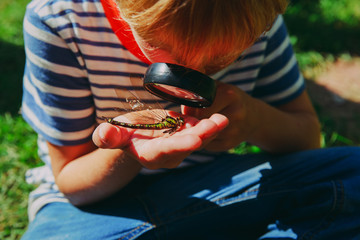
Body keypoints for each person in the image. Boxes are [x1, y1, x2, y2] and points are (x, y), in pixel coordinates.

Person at [21, 0, 360, 239]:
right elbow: (72, 184)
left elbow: (307, 139)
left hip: (219, 188)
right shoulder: (60, 18)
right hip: (97, 211)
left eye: (224, 57)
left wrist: (253, 120)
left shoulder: (255, 16)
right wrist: (128, 152)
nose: (191, 75)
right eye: (158, 44)